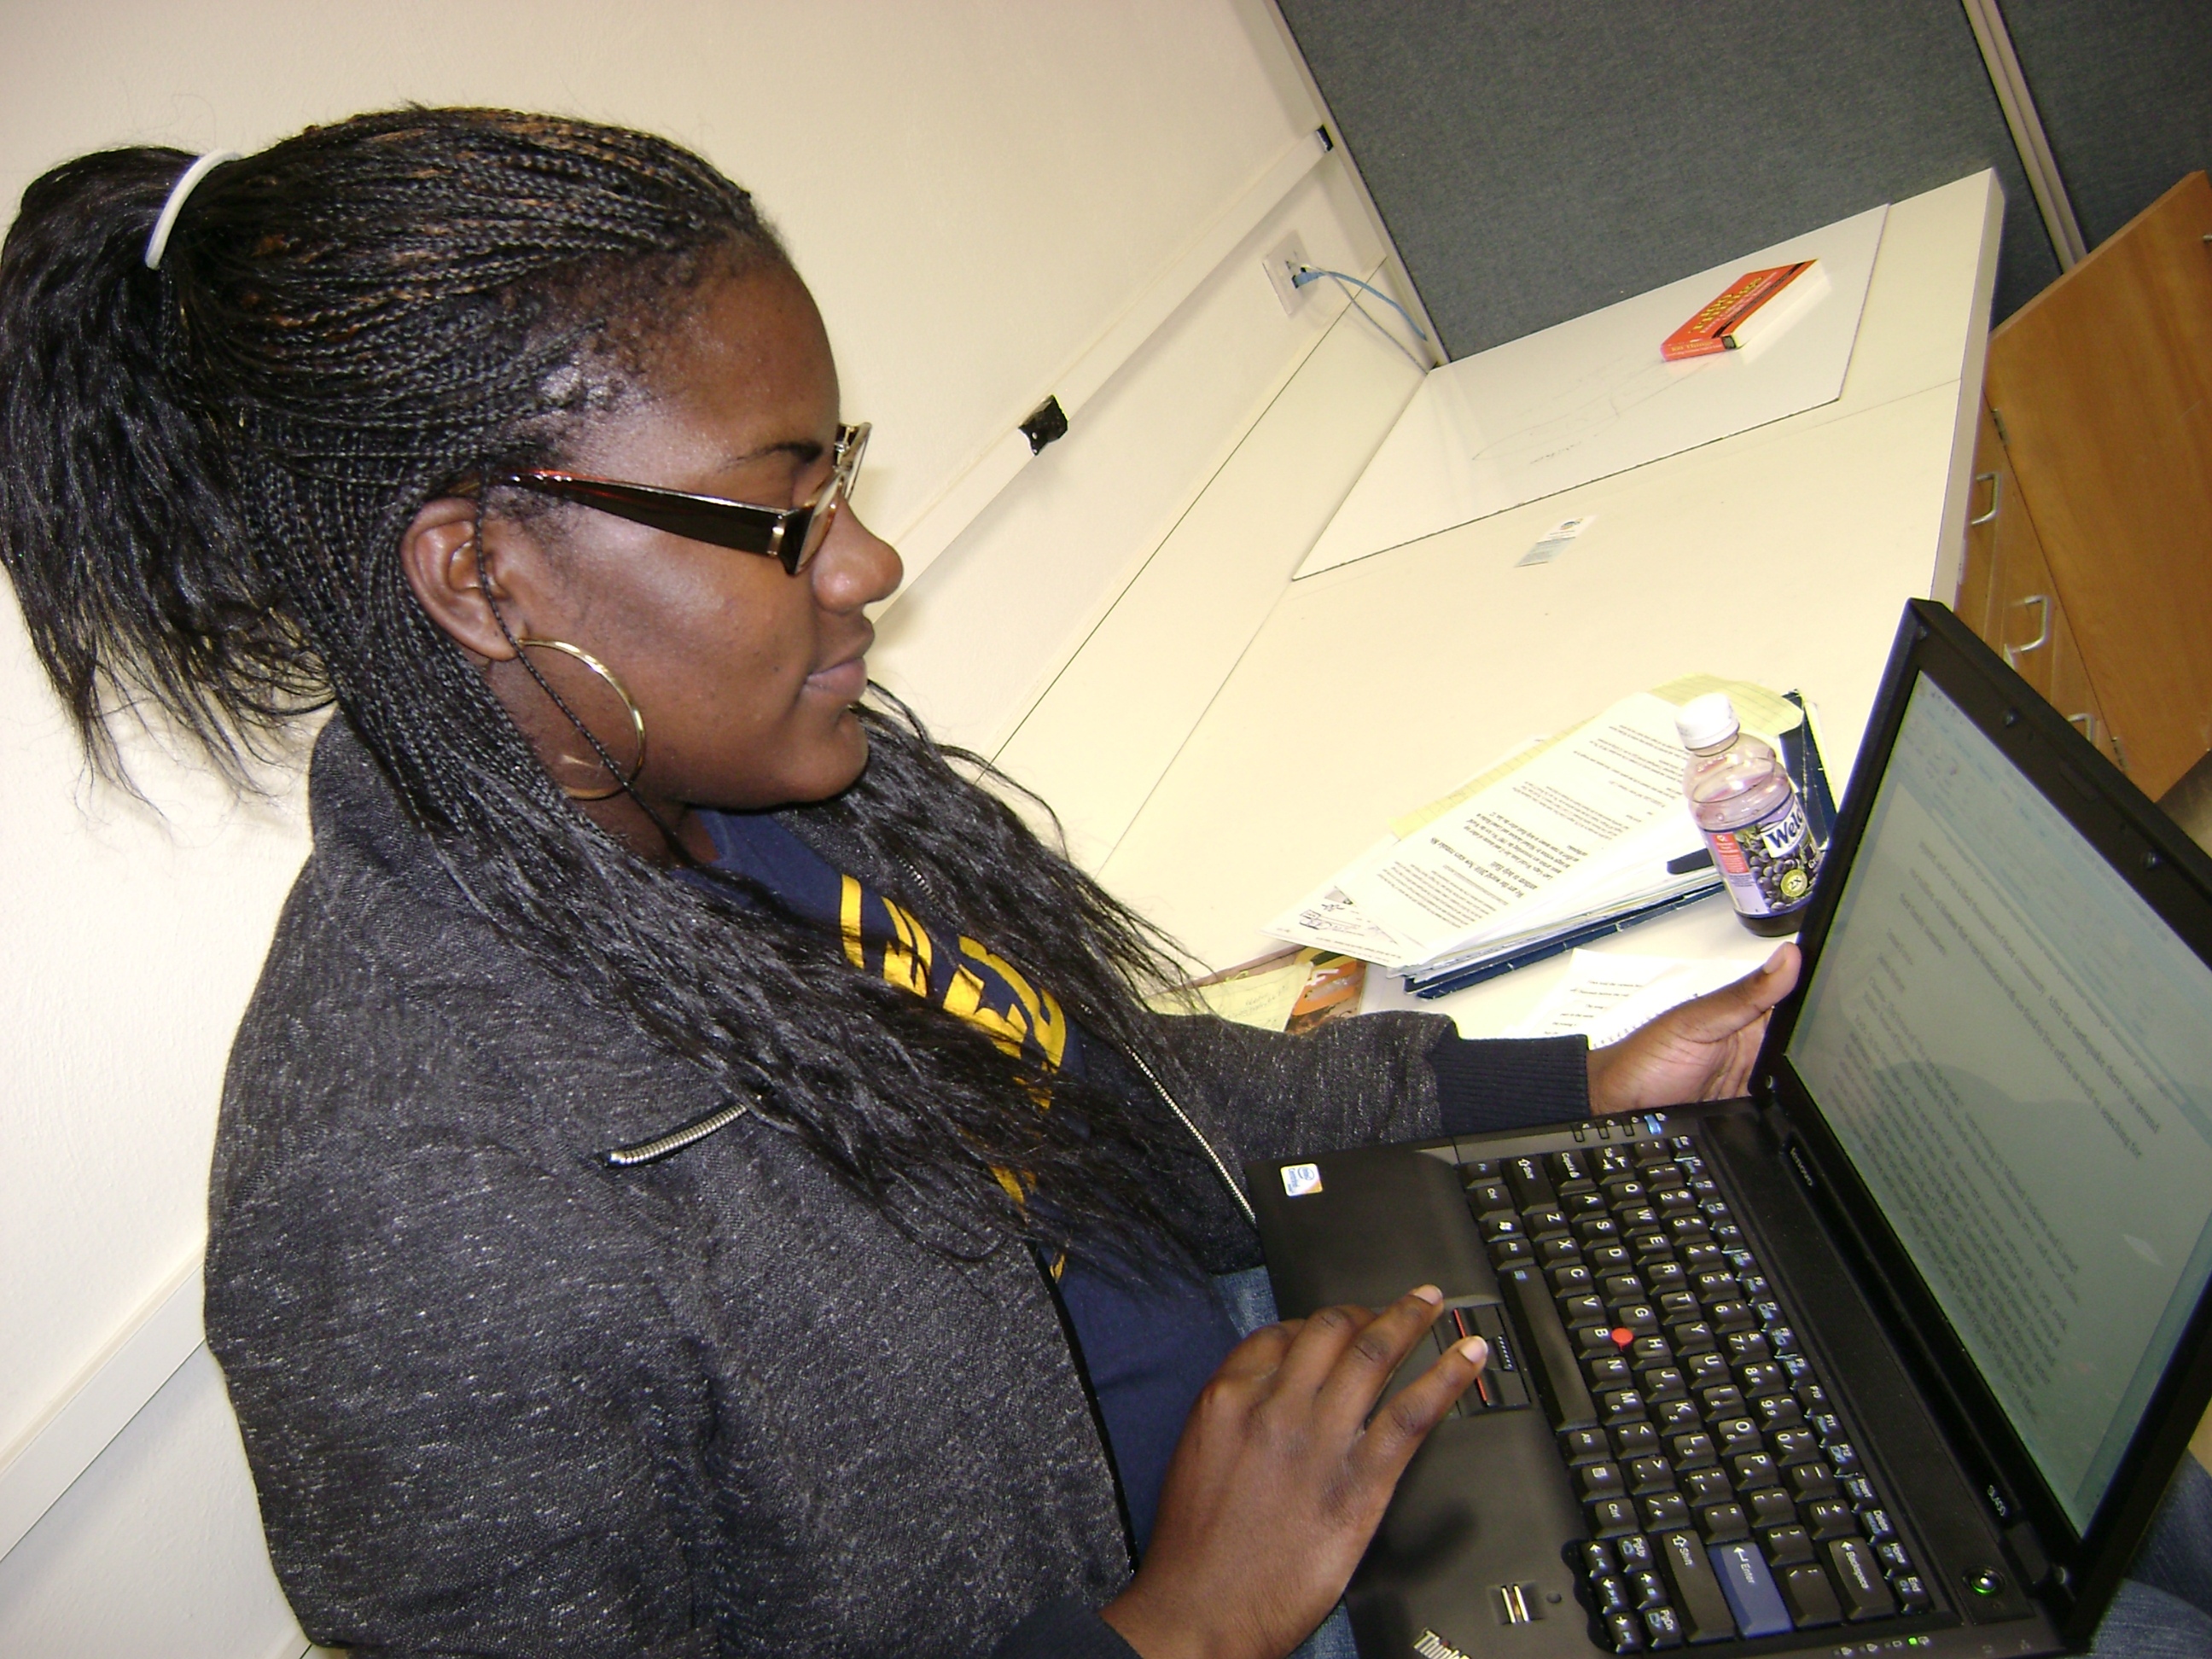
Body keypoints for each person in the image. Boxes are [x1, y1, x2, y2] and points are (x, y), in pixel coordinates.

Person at [0, 110, 1806, 1659]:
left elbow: (1124, 1094)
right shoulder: (406, 1201)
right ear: (479, 579)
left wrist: (1558, 1084)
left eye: (837, 471)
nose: (869, 558)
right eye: (786, 511)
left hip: (1280, 1410)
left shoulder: (758, 795)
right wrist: (1179, 1625)